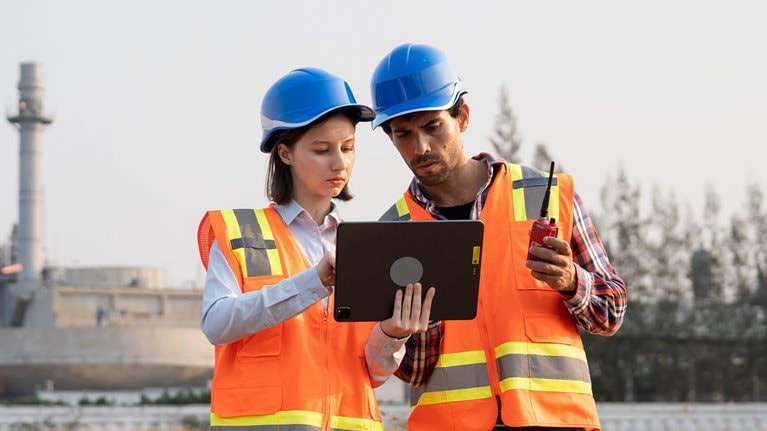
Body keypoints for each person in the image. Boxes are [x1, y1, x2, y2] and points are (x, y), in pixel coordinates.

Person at [370, 43, 628, 431]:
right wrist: (411, 328)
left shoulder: (548, 195)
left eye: (432, 126)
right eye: (403, 134)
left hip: (555, 423)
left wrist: (572, 281)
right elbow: (415, 371)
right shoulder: (392, 232)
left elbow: (611, 313)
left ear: (463, 117)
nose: (420, 146)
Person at [197, 67, 435, 431]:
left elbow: (371, 373)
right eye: (322, 150)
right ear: (285, 153)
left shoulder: (368, 245)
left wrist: (393, 334)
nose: (340, 163)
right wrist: (313, 283)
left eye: (348, 148)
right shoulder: (239, 232)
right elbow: (216, 323)